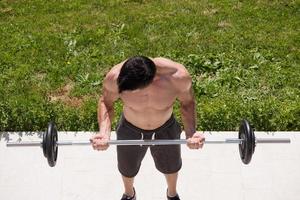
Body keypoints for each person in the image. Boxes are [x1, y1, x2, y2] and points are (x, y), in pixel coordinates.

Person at [90, 56, 205, 200]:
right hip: (130, 127)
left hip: (165, 127)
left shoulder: (177, 77)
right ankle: (129, 194)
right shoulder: (115, 77)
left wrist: (191, 133)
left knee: (171, 166)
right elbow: (106, 102)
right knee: (127, 167)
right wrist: (104, 133)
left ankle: (172, 194)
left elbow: (187, 103)